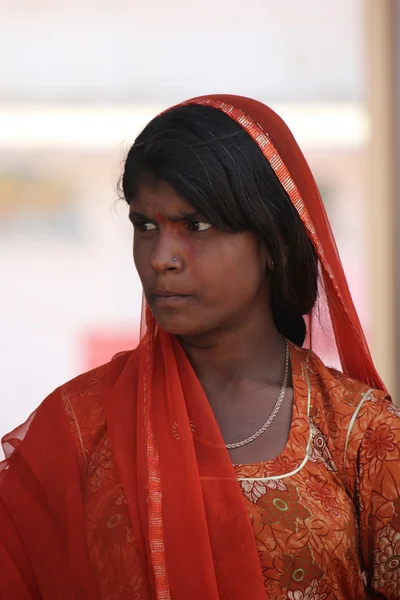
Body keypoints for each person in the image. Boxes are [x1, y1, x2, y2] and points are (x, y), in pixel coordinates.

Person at [0, 95, 399, 600]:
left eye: (197, 226)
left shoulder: (360, 436)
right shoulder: (82, 424)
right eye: (145, 226)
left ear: (272, 242)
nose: (161, 257)